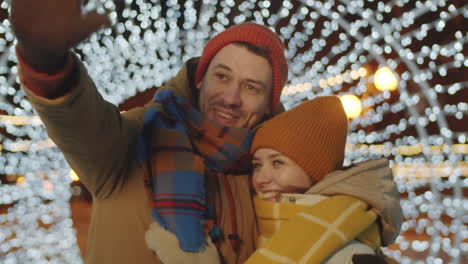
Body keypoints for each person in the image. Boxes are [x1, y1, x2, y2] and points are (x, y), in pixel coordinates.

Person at [10, 1, 288, 264]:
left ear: (269, 105)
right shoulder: (136, 138)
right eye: (222, 76)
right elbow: (81, 123)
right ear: (200, 78)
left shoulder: (279, 168)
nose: (230, 97)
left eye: (251, 87)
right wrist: (48, 66)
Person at [244, 96, 402, 264]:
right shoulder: (254, 228)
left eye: (277, 162)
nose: (260, 179)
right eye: (257, 165)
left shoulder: (353, 256)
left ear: (315, 169)